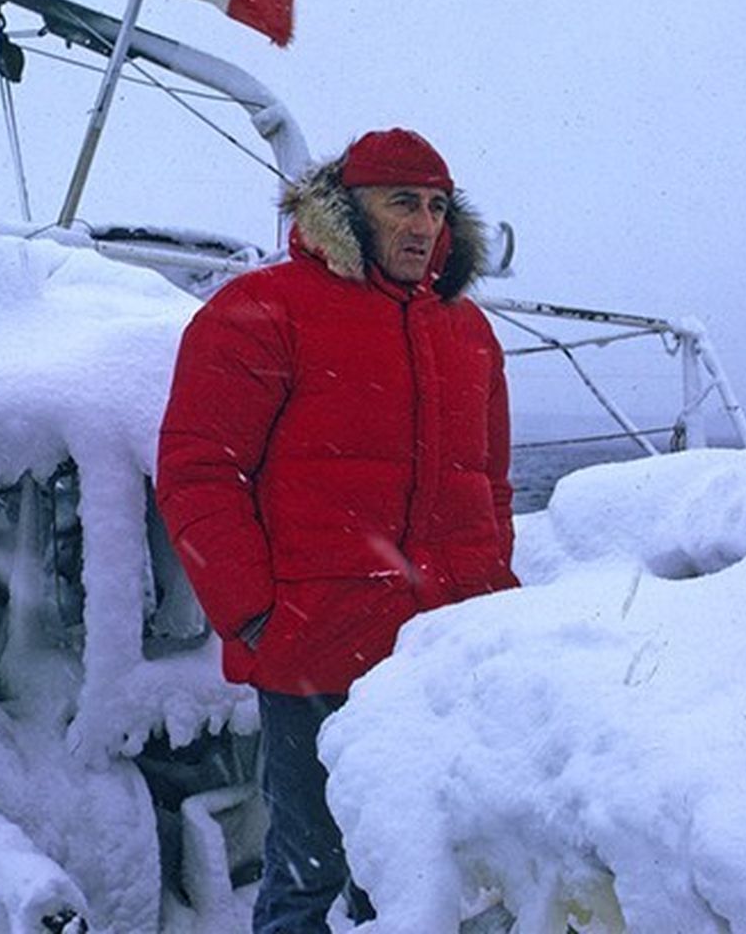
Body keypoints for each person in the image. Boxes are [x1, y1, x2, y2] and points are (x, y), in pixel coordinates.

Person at [156, 128, 518, 931]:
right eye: (402, 203)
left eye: (437, 207)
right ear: (348, 210)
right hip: (315, 653)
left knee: (418, 869)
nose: (423, 224)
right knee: (310, 867)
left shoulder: (469, 331)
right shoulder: (262, 310)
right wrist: (257, 615)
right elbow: (199, 472)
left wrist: (491, 590)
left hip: (442, 653)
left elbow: (490, 484)